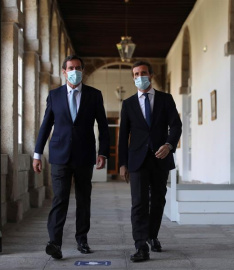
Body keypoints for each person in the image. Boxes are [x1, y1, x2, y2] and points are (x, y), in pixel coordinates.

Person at [33, 55, 110, 259]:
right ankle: (54, 242)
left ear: (82, 70)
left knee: (84, 199)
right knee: (60, 199)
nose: (74, 71)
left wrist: (103, 152)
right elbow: (46, 125)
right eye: (70, 68)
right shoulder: (55, 95)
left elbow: (103, 126)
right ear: (64, 71)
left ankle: (82, 240)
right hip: (59, 155)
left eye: (77, 68)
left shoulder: (94, 95)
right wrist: (37, 153)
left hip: (85, 155)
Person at [118, 61, 182, 262]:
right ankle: (140, 245)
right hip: (137, 160)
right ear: (133, 77)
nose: (139, 76)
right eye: (136, 73)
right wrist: (122, 163)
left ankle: (152, 235)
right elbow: (123, 136)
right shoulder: (128, 104)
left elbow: (176, 126)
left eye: (143, 72)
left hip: (160, 158)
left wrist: (169, 145)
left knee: (158, 200)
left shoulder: (165, 99)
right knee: (138, 203)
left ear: (151, 75)